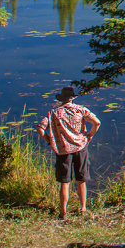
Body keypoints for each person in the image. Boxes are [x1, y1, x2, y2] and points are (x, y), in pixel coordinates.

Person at [37, 86, 101, 220]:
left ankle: (63, 212)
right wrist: (89, 136)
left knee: (65, 182)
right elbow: (97, 122)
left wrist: (50, 141)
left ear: (62, 98)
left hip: (62, 150)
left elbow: (40, 128)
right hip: (80, 147)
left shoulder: (53, 112)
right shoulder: (80, 109)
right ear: (72, 98)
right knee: (81, 180)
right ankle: (83, 209)